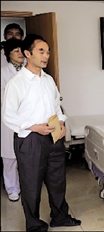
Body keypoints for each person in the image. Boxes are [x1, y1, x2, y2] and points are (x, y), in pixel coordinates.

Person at [1, 34, 81, 231]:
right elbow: (8, 115)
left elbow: (56, 105)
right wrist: (33, 126)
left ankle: (59, 216)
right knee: (31, 185)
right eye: (41, 51)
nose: (46, 56)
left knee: (57, 180)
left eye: (48, 52)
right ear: (28, 53)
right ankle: (34, 225)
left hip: (53, 136)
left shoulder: (48, 79)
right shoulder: (16, 83)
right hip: (30, 140)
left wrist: (61, 122)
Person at [1, 38, 25, 202]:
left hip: (28, 119)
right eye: (16, 51)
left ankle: (25, 185)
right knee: (10, 157)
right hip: (9, 120)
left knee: (26, 156)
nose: (20, 53)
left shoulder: (29, 70)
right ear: (8, 54)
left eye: (21, 50)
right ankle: (12, 188)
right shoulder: (3, 72)